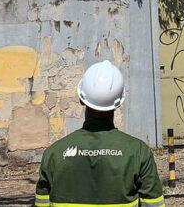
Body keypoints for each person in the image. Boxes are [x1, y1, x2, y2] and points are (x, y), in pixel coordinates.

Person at [35, 61, 165, 207]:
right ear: (119, 102)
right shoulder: (138, 152)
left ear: (81, 99)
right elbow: (154, 204)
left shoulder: (54, 154)